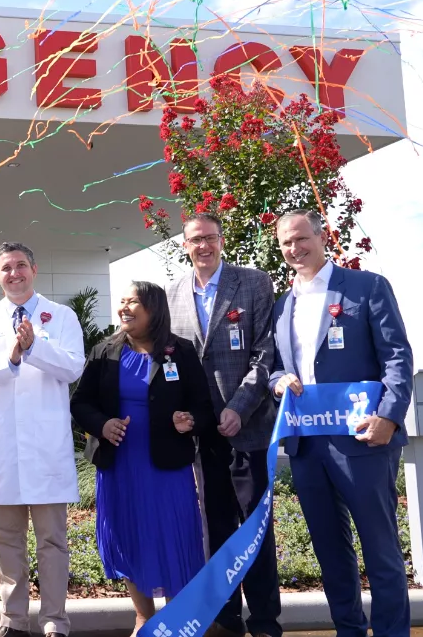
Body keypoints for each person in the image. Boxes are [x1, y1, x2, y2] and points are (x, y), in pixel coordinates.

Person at [270, 210, 413, 637]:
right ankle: (348, 631)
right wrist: (279, 383)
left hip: (364, 440)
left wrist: (388, 415)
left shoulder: (366, 286)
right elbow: (277, 368)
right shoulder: (282, 304)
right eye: (285, 244)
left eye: (301, 239)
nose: (294, 249)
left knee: (381, 550)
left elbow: (398, 358)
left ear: (321, 235)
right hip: (308, 446)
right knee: (331, 554)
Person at [71, 281, 217, 634]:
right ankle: (144, 617)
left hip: (166, 463)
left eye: (132, 301)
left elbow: (203, 405)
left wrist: (190, 421)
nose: (124, 308)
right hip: (121, 463)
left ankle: (179, 620)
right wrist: (102, 425)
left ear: (154, 308)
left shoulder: (179, 351)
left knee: (173, 535)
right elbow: (80, 403)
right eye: (121, 302)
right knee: (129, 534)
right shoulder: (104, 350)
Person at [165, 213, 282, 637]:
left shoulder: (253, 283)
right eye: (195, 240)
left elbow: (266, 353)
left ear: (221, 239)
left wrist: (239, 406)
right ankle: (226, 619)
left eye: (210, 238)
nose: (203, 246)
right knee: (214, 530)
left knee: (255, 527)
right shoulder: (172, 292)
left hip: (247, 428)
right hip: (202, 436)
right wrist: (179, 412)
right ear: (185, 245)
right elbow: (171, 359)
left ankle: (266, 622)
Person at [0, 242, 85, 637]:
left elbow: (72, 366)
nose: (14, 274)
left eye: (20, 266)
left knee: (52, 540)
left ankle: (54, 622)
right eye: (5, 268)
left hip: (46, 447)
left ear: (34, 268)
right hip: (4, 449)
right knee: (8, 540)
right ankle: (13, 621)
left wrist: (35, 347)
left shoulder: (61, 316)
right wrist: (12, 357)